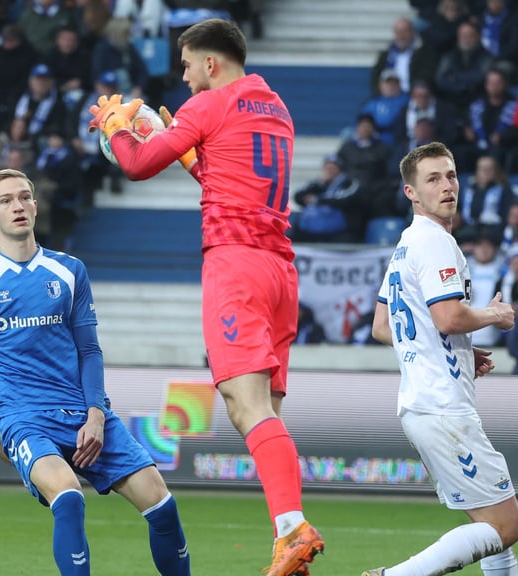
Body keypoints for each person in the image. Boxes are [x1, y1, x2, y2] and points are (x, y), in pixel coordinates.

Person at [89, 18, 323, 576]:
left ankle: (293, 530)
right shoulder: (275, 107)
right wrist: (199, 158)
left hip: (235, 266)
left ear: (211, 63)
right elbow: (237, 183)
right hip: (280, 272)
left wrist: (118, 126)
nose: (186, 80)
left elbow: (138, 164)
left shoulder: (208, 106)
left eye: (189, 67)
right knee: (264, 414)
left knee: (246, 406)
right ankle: (288, 536)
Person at [0, 169, 190, 576]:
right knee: (69, 496)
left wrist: (96, 414)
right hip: (21, 416)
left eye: (25, 197)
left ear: (36, 206)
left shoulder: (69, 271)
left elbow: (89, 349)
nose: (18, 206)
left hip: (81, 411)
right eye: (6, 200)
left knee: (162, 505)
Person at [366, 141, 518, 576]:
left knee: (493, 536)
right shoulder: (434, 243)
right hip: (442, 407)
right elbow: (449, 316)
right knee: (506, 527)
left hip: (423, 404)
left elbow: (383, 326)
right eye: (432, 179)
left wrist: (455, 354)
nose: (447, 185)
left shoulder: (405, 245)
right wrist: (497, 314)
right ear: (411, 192)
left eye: (451, 175)